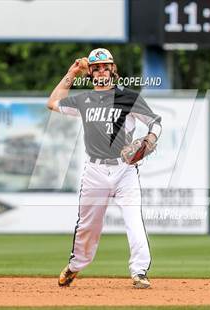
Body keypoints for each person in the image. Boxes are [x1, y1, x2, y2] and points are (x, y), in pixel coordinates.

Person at [46, 48, 161, 289]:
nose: (101, 71)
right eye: (96, 68)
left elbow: (155, 121)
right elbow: (52, 102)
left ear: (113, 70)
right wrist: (72, 72)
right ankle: (75, 266)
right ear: (91, 73)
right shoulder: (83, 99)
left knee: (133, 220)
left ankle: (139, 272)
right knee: (89, 226)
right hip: (95, 172)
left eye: (105, 66)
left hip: (125, 170)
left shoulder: (129, 97)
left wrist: (150, 138)